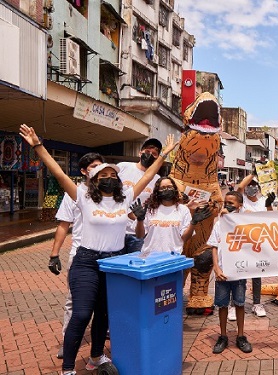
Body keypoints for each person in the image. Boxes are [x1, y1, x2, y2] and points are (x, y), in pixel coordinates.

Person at [20, 124, 177, 375]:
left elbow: (148, 177)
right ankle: (68, 369)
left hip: (114, 263)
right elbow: (58, 172)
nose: (110, 178)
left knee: (104, 315)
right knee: (82, 314)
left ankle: (95, 356)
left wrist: (164, 155)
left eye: (113, 176)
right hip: (87, 261)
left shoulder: (124, 197)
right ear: (94, 179)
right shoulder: (82, 196)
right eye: (104, 175)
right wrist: (38, 145)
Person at [48, 153, 104, 359]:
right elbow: (64, 225)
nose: (99, 170)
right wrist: (54, 254)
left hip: (107, 257)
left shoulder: (112, 192)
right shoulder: (75, 193)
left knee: (103, 302)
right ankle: (68, 340)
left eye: (101, 165)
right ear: (84, 171)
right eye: (94, 166)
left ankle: (100, 339)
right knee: (74, 301)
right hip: (81, 256)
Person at [208, 191, 253, 354]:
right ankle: (223, 336)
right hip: (222, 272)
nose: (227, 205)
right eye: (225, 202)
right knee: (222, 304)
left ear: (239, 205)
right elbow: (214, 246)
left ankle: (241, 336)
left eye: (231, 203)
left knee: (240, 303)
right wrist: (216, 267)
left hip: (239, 272)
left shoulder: (244, 221)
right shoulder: (219, 223)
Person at [232, 173, 276, 319]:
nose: (251, 187)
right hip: (242, 242)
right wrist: (253, 173)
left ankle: (257, 304)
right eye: (249, 185)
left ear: (258, 187)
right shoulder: (242, 200)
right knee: (239, 274)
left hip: (258, 243)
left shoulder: (263, 200)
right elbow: (239, 187)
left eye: (254, 185)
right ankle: (235, 305)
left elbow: (271, 218)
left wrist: (269, 205)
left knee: (257, 275)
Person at [132, 176, 211, 255]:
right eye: (163, 188)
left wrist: (193, 223)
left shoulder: (183, 210)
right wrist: (140, 220)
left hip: (173, 257)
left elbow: (184, 238)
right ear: (157, 191)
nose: (166, 190)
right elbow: (139, 235)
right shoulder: (149, 209)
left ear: (175, 189)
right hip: (149, 256)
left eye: (169, 187)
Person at [117, 138, 163, 253]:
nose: (150, 155)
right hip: (117, 229)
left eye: (154, 154)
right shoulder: (123, 167)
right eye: (147, 152)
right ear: (140, 153)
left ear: (157, 158)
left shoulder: (157, 179)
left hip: (138, 232)